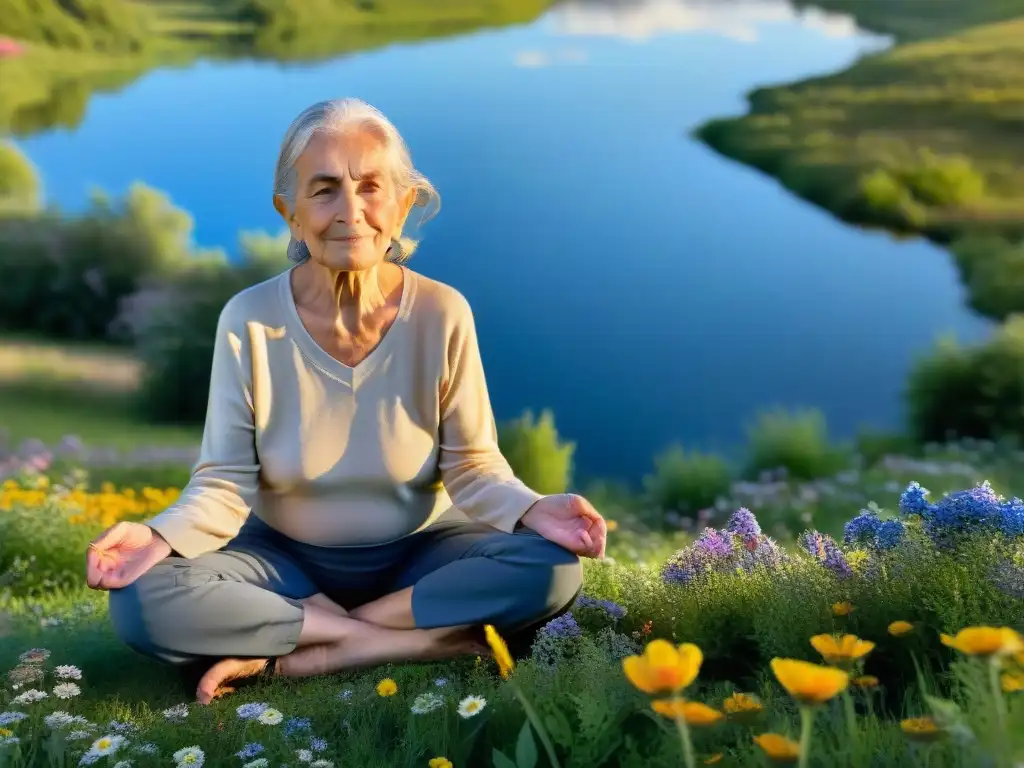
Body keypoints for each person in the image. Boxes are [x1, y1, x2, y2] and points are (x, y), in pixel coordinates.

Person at [85, 98, 607, 705]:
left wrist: (531, 509)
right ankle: (410, 641)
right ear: (290, 211)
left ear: (404, 203)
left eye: (370, 187)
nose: (350, 212)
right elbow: (225, 480)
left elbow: (472, 465)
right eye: (325, 189)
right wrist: (158, 537)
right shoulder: (249, 319)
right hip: (282, 565)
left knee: (551, 568)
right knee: (143, 602)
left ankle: (314, 649)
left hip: (421, 558)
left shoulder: (442, 313)